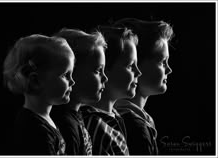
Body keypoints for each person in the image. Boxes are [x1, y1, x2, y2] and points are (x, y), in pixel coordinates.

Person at [3, 34, 75, 155]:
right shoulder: (34, 130)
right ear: (36, 81)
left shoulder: (44, 120)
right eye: (65, 75)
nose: (73, 81)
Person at [113, 18, 174, 155]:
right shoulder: (134, 126)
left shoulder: (139, 119)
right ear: (137, 64)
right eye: (162, 62)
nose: (169, 69)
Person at [80, 26, 141, 155]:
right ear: (105, 68)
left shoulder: (115, 117)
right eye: (130, 66)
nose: (138, 72)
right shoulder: (95, 125)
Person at [51, 28, 108, 155]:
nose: (105, 78)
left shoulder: (77, 116)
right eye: (98, 71)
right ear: (72, 72)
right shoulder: (65, 125)